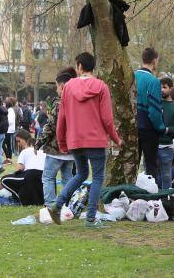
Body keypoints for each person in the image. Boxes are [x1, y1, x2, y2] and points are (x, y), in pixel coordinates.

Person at [47, 52, 122, 228]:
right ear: (92, 66)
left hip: (75, 140)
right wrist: (116, 139)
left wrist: (62, 142)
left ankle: (57, 205)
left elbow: (62, 118)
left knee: (81, 174)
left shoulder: (68, 88)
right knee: (97, 178)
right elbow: (107, 119)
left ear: (79, 66)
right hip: (96, 140)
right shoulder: (101, 87)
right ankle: (90, 218)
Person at [36, 68, 77, 206]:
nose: (56, 90)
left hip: (56, 149)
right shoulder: (77, 103)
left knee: (48, 177)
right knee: (67, 178)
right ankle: (67, 205)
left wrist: (39, 142)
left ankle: (51, 205)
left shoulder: (59, 104)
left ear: (62, 86)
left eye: (57, 87)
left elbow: (51, 126)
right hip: (71, 150)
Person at [134, 47, 166, 181]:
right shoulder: (153, 81)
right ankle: (153, 198)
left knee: (132, 167)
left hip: (131, 128)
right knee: (152, 166)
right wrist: (161, 128)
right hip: (148, 129)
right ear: (155, 60)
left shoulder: (132, 76)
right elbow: (154, 110)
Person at [0, 129, 45, 205]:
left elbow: (19, 170)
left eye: (19, 141)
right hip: (43, 177)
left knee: (4, 179)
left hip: (31, 174)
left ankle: (16, 197)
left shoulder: (25, 151)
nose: (18, 144)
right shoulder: (41, 151)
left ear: (25, 139)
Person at [157, 76, 174, 191]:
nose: (161, 90)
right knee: (150, 176)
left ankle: (166, 199)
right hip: (152, 145)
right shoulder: (156, 103)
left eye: (164, 87)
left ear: (171, 88)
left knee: (166, 176)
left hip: (167, 147)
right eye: (159, 87)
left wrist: (167, 130)